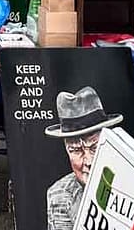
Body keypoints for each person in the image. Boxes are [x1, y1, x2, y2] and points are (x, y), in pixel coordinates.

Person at [43, 86, 124, 230]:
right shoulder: (60, 195)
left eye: (95, 147)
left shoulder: (131, 183)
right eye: (76, 150)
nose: (89, 161)